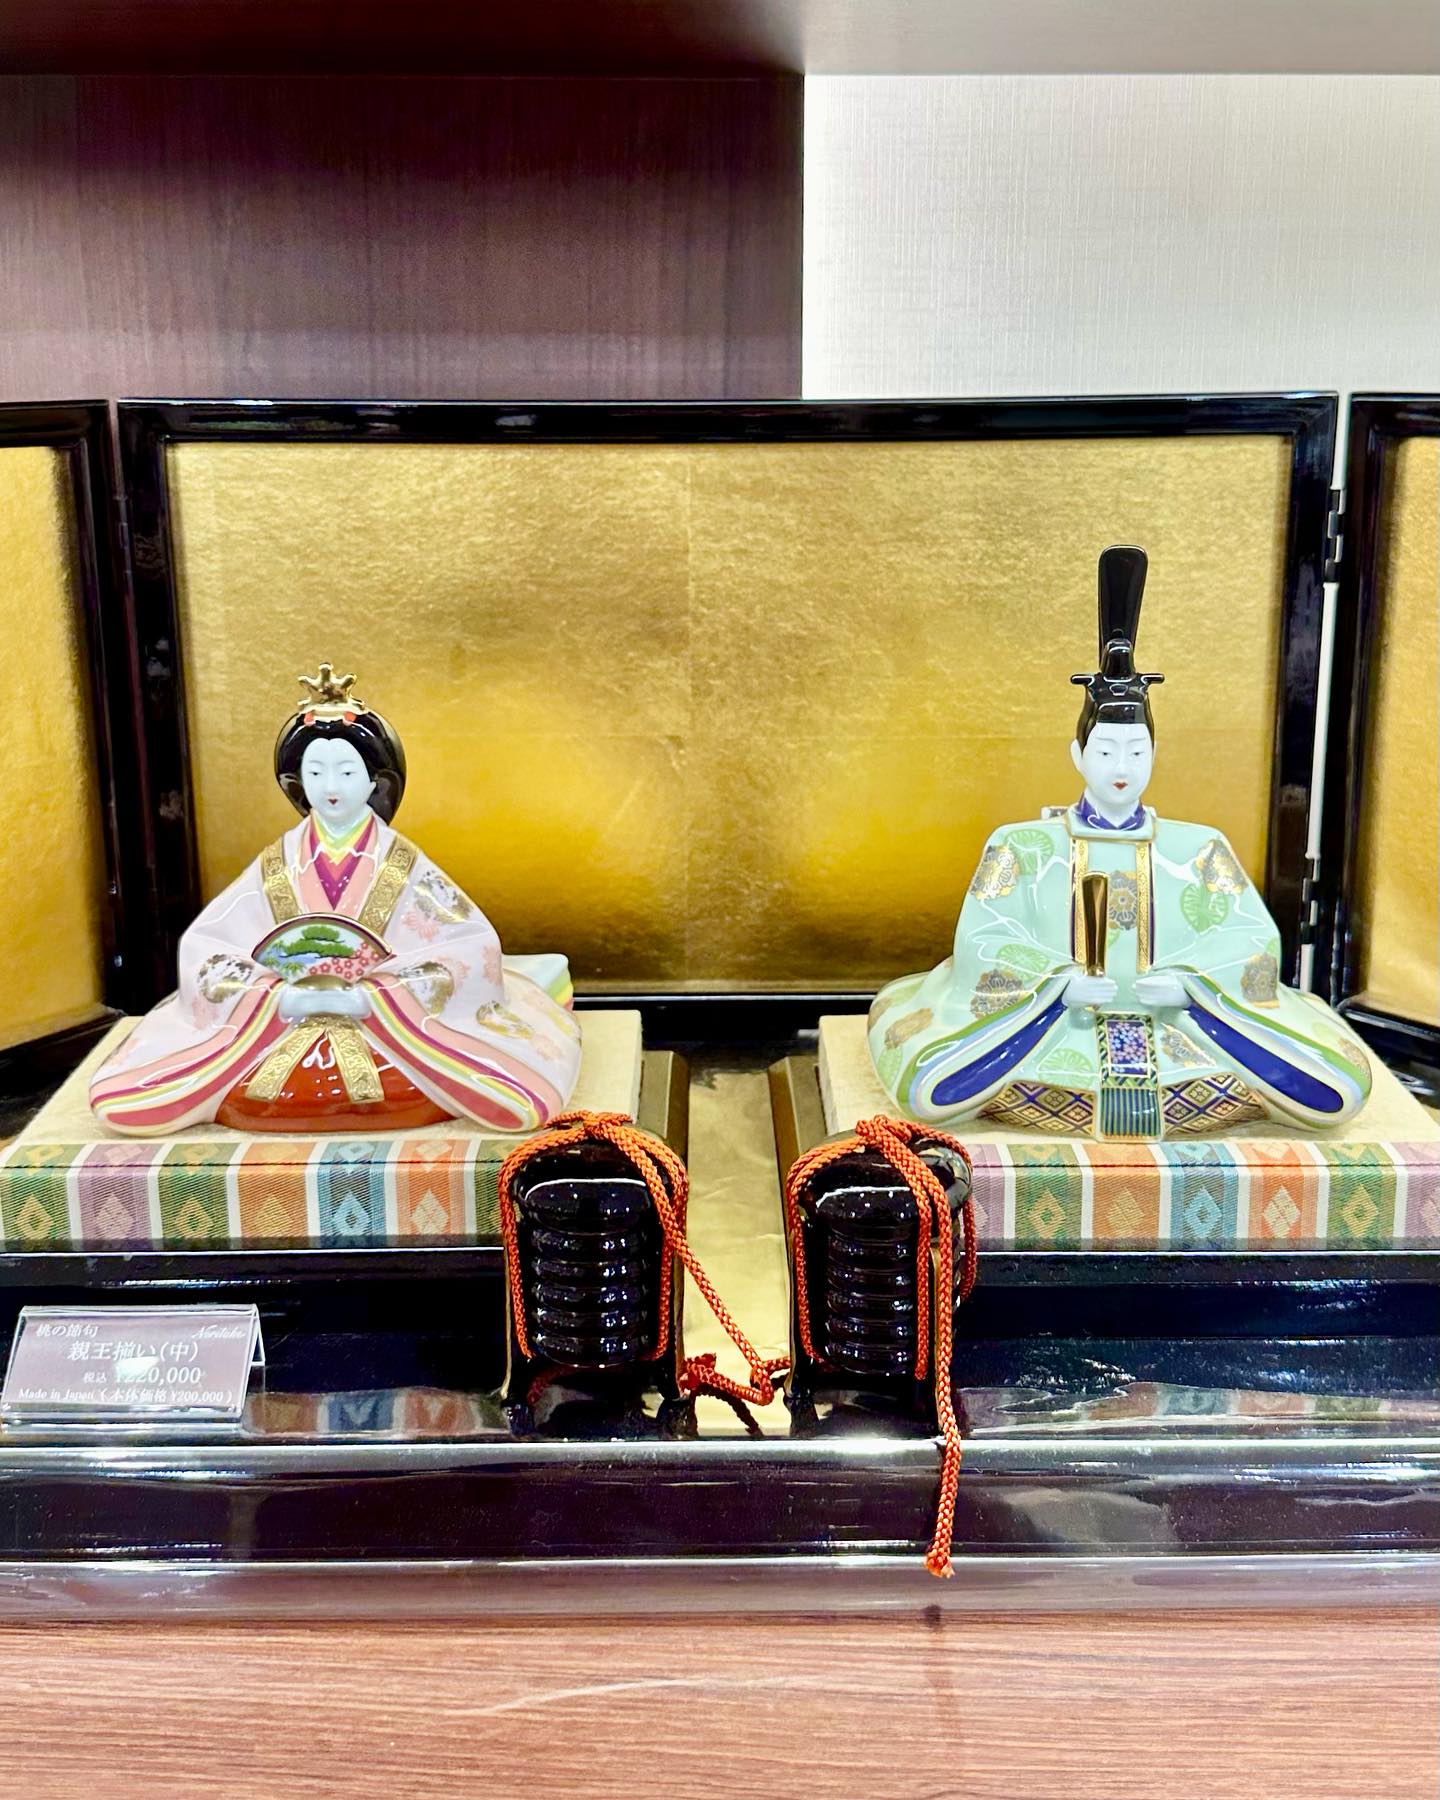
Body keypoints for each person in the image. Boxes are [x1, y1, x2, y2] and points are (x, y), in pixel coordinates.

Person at [867, 548, 1372, 1139]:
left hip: (1183, 1027)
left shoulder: (1199, 849)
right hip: (1054, 1025)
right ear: (1078, 754)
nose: (1122, 768)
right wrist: (1058, 984)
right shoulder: (1022, 847)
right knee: (931, 1086)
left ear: (1156, 754)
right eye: (1105, 751)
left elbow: (1251, 941)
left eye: (1136, 751)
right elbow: (985, 938)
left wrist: (1191, 985)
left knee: (1334, 1089)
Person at [91, 665, 580, 1135]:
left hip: (387, 1028)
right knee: (241, 1083)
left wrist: (374, 997)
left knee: (423, 1081)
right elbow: (208, 951)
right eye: (316, 772)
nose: (330, 787)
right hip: (284, 1020)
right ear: (297, 782)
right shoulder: (276, 867)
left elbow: (470, 949)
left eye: (346, 772)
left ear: (374, 781)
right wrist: (281, 998)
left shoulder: (404, 867)